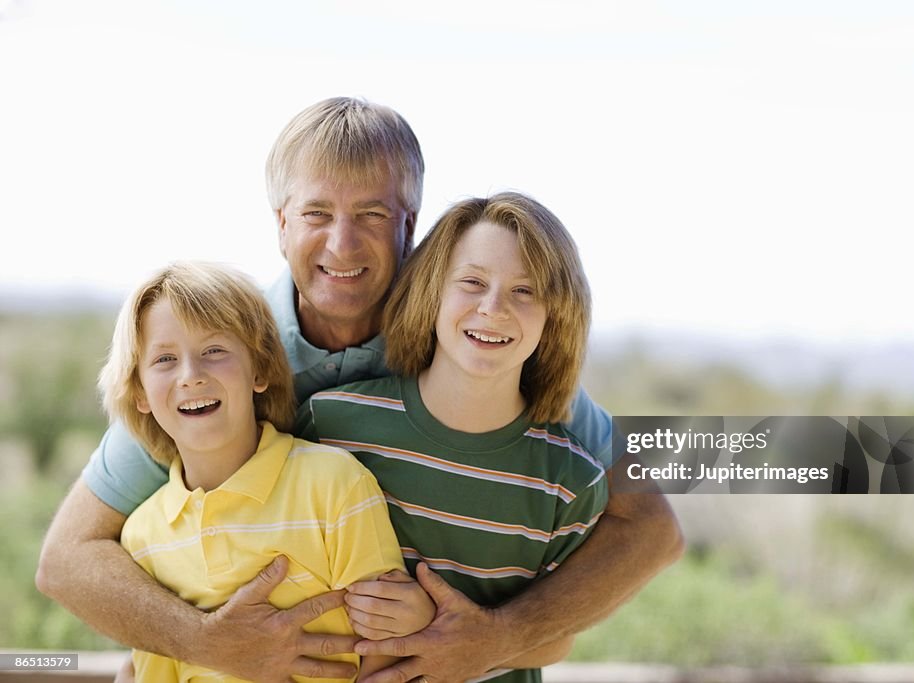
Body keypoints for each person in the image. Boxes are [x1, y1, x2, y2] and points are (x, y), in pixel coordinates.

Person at [36, 97, 684, 683]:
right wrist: (202, 642)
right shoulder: (226, 356)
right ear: (282, 222)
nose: (341, 243)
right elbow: (68, 557)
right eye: (317, 213)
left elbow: (651, 527)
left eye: (371, 214)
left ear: (410, 223)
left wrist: (496, 637)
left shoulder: (468, 338)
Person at [299, 193, 607, 682]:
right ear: (432, 292)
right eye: (472, 282)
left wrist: (436, 625)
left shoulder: (570, 480)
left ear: (556, 316)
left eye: (524, 292)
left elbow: (555, 637)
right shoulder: (332, 424)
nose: (493, 308)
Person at [99, 261, 427, 681]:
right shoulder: (142, 537)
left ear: (259, 369)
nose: (190, 376)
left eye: (214, 351)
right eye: (164, 359)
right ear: (140, 392)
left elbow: (383, 657)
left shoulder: (335, 486)